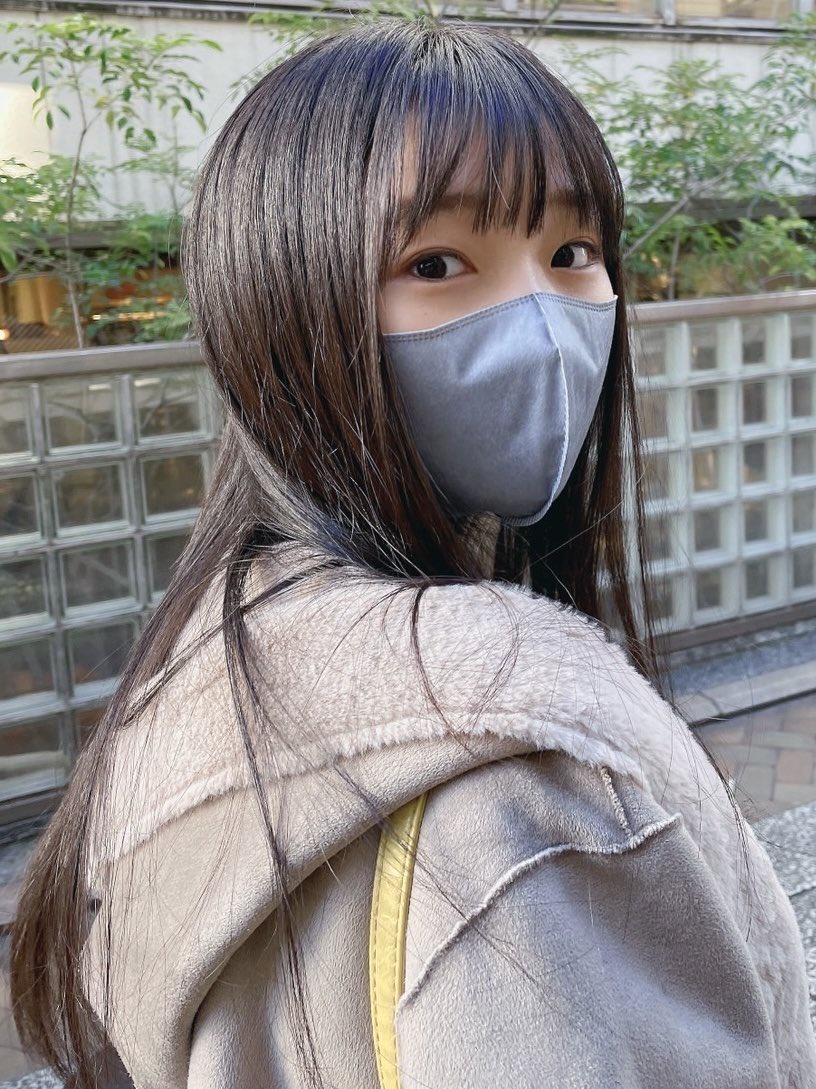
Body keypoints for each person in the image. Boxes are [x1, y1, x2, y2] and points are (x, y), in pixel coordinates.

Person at [10, 17, 816, 1089]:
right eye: (436, 263)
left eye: (572, 254)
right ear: (279, 309)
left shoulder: (211, 658)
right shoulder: (518, 800)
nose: (541, 323)